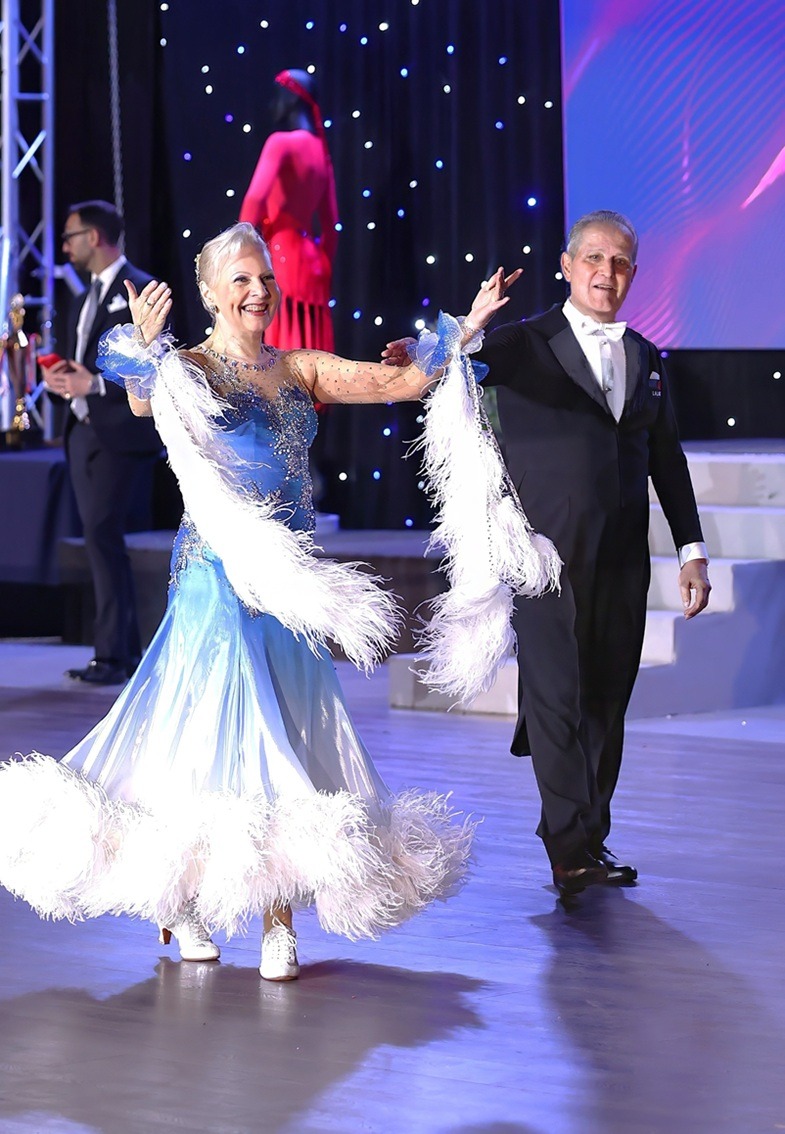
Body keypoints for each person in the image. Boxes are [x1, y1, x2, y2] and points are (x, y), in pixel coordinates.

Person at [0, 222, 515, 981]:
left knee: (288, 739)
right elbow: (143, 401)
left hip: (291, 586)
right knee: (210, 739)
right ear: (210, 293)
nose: (258, 290)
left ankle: (278, 915)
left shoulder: (299, 367)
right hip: (216, 578)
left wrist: (464, 327)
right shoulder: (190, 369)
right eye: (240, 278)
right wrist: (148, 347)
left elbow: (397, 383)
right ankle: (185, 900)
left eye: (265, 278)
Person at [385, 210, 711, 898]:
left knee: (606, 699)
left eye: (619, 262)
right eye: (593, 258)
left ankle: (587, 834)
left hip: (622, 559)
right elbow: (448, 365)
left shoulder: (645, 356)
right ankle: (567, 848)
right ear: (567, 266)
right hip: (543, 559)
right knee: (557, 697)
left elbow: (667, 459)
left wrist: (691, 550)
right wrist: (435, 341)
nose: (606, 272)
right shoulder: (524, 342)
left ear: (632, 274)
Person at [45, 200, 162, 685]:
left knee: (101, 532)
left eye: (70, 237)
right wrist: (63, 379)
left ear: (93, 237)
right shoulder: (83, 297)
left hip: (121, 432)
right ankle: (118, 651)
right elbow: (82, 358)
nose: (65, 247)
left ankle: (114, 655)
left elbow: (155, 362)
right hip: (81, 432)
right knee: (99, 539)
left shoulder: (142, 289)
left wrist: (92, 384)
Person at [239, 69, 338, 351]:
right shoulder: (322, 153)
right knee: (311, 345)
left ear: (293, 98)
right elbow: (332, 226)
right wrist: (323, 265)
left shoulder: (281, 143)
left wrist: (239, 252)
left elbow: (254, 200)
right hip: (312, 262)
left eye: (278, 95)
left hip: (281, 256)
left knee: (280, 345)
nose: (273, 104)